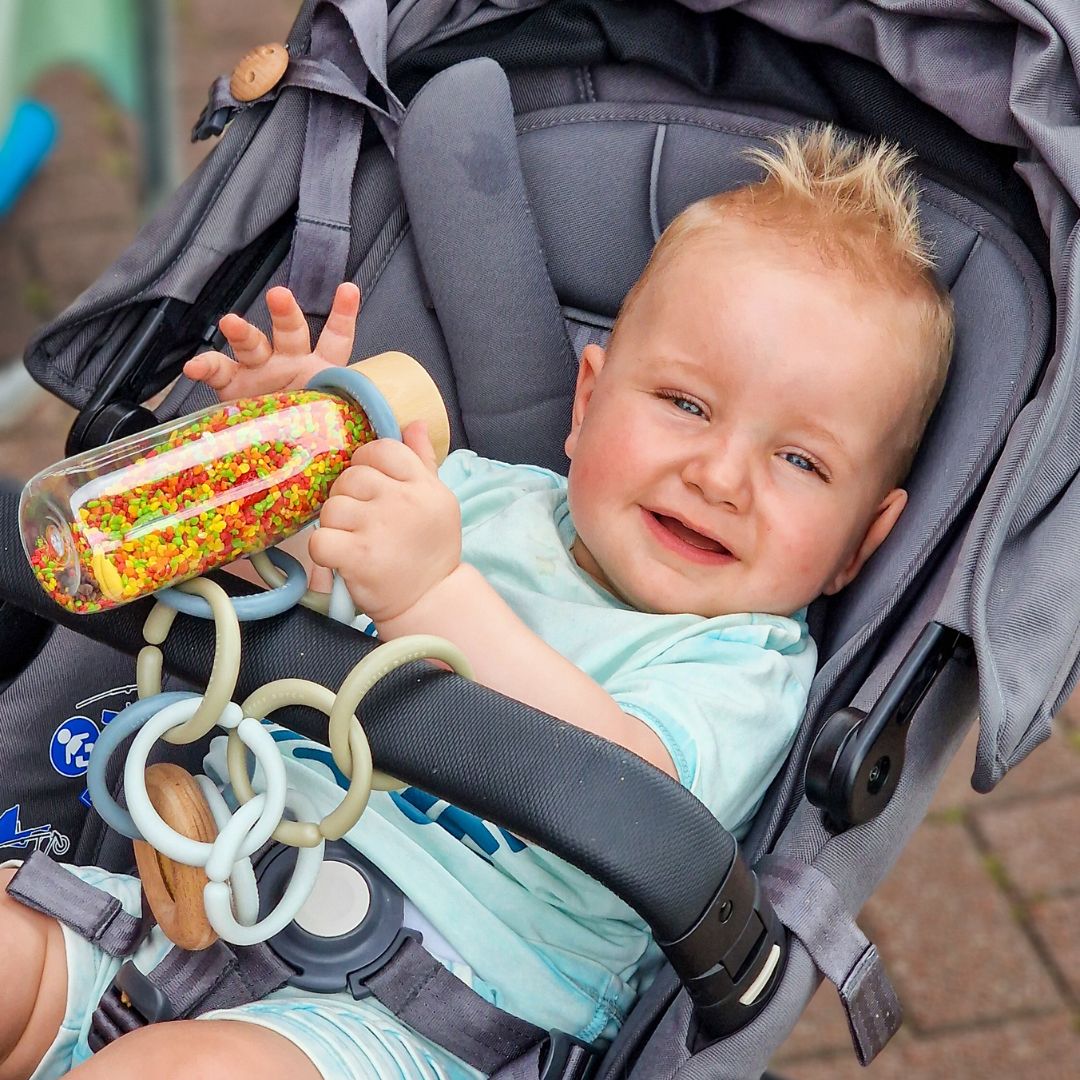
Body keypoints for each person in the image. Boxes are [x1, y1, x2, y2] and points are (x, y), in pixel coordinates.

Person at [0, 126, 954, 1080]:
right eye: (686, 405)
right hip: (194, 894)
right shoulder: (464, 493)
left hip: (415, 1016)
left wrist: (432, 593)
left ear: (860, 544)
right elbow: (268, 597)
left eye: (799, 461)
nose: (720, 475)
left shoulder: (746, 664)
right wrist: (272, 463)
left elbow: (627, 788)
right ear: (587, 405)